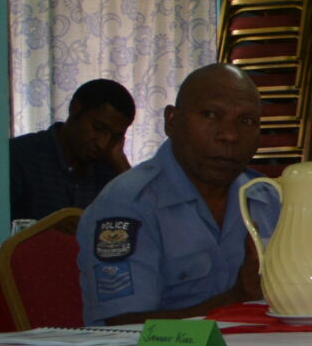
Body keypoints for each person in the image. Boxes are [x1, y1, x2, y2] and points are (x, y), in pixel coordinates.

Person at [77, 65, 270, 324]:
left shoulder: (270, 199)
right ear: (171, 121)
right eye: (210, 115)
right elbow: (122, 329)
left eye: (246, 121)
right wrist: (236, 300)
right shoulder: (127, 205)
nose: (229, 135)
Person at [9, 78, 134, 222]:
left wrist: (122, 168)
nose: (103, 144)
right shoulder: (20, 156)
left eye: (115, 137)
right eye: (98, 128)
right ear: (75, 108)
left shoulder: (110, 168)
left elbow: (144, 222)